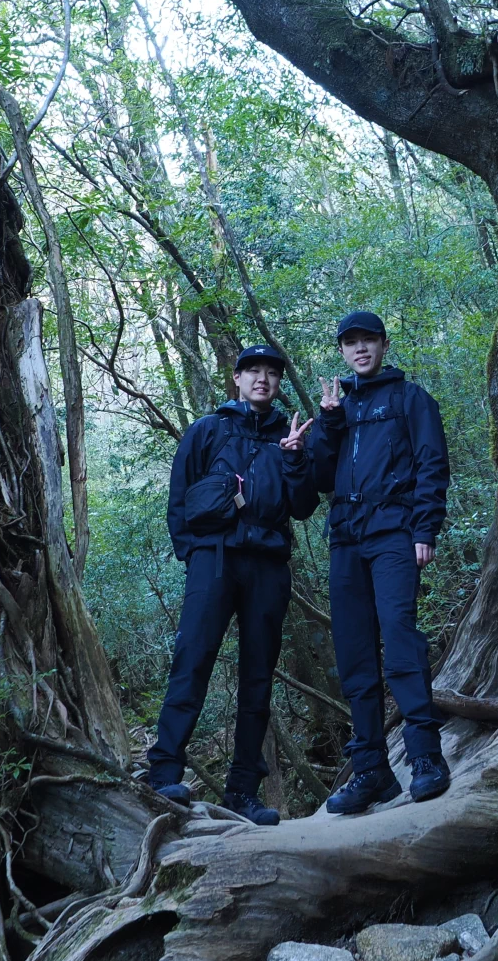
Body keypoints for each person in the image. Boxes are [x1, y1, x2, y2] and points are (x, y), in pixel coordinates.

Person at [146, 343, 317, 825]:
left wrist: (295, 459)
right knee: (192, 661)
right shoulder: (208, 429)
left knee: (258, 677)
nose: (262, 379)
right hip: (214, 561)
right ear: (237, 379)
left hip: (268, 566)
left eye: (271, 373)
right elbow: (180, 498)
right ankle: (163, 775)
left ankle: (243, 791)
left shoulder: (288, 436)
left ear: (278, 383)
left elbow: (304, 506)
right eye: (253, 371)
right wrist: (194, 555)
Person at [306, 309, 453, 813]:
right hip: (345, 539)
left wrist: (425, 528)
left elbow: (432, 464)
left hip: (394, 533)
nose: (360, 349)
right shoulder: (337, 407)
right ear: (342, 352)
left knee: (401, 638)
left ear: (384, 345)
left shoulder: (411, 399)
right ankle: (371, 770)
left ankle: (426, 757)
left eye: (368, 340)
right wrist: (327, 423)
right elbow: (320, 478)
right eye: (351, 343)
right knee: (354, 653)